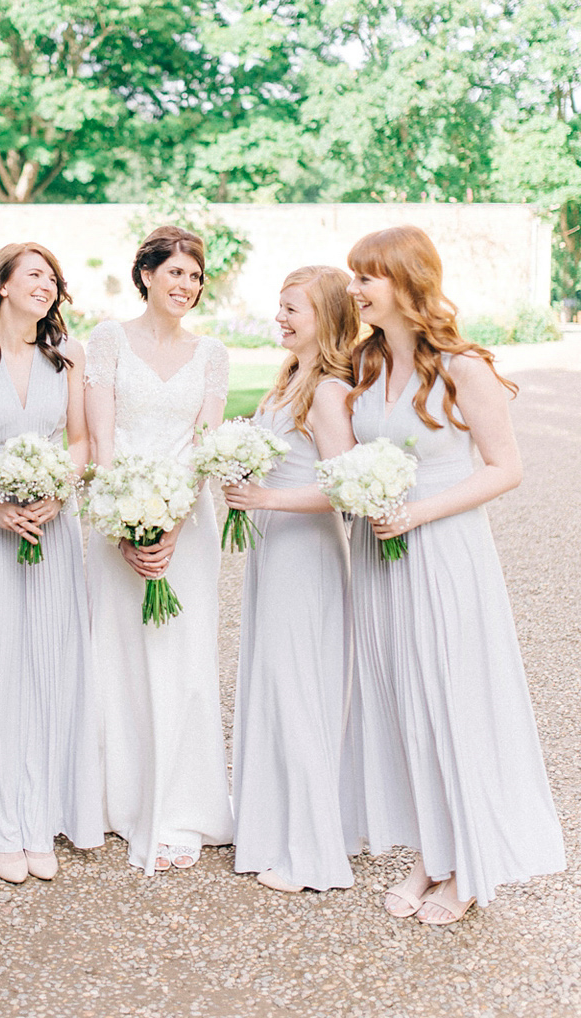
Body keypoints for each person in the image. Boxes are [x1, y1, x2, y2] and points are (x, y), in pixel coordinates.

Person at [343, 225, 565, 924]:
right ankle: (430, 855)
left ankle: (469, 862)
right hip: (383, 555)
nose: (355, 290)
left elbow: (507, 469)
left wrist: (419, 513)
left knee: (453, 698)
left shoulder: (463, 366)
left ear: (404, 280)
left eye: (365, 278)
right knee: (407, 704)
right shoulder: (367, 365)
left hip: (446, 551)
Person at [0, 243, 103, 885]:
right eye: (33, 274)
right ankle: (1, 821)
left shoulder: (68, 355)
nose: (47, 284)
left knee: (48, 658)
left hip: (53, 526)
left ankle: (40, 815)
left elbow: (81, 440)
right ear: (1, 285)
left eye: (53, 277)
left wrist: (57, 497)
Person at [84, 225, 233, 875]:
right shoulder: (108, 340)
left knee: (183, 655)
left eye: (196, 276)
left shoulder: (213, 353)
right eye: (176, 272)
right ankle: (121, 800)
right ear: (146, 274)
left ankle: (180, 806)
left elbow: (205, 445)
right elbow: (100, 436)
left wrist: (171, 520)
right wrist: (124, 520)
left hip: (189, 523)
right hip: (116, 513)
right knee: (116, 653)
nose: (187, 286)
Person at [224, 266, 359, 893]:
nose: (280, 318)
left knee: (299, 688)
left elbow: (341, 487)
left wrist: (264, 499)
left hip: (306, 555)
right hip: (274, 552)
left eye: (292, 310)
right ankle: (271, 829)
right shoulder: (289, 379)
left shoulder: (328, 390)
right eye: (279, 306)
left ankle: (312, 854)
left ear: (326, 318)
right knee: (274, 685)